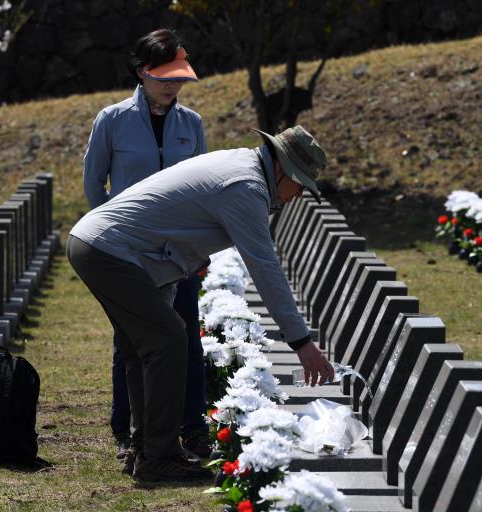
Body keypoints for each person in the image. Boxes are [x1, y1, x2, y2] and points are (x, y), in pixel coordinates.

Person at [67, 125, 336, 482]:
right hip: (109, 250)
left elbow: (168, 239)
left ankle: (146, 447)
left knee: (145, 346)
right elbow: (264, 267)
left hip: (100, 245)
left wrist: (165, 305)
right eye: (300, 183)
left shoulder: (240, 166)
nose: (299, 193)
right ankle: (158, 457)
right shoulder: (246, 187)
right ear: (281, 170)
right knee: (167, 342)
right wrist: (302, 343)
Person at [81, 28, 210, 467]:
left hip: (178, 253)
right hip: (126, 254)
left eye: (180, 77)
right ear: (141, 72)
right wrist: (111, 234)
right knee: (131, 342)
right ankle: (130, 431)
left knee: (186, 336)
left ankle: (191, 426)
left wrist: (197, 246)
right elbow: (93, 182)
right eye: (165, 76)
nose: (173, 85)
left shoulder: (191, 124)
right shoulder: (112, 119)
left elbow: (204, 186)